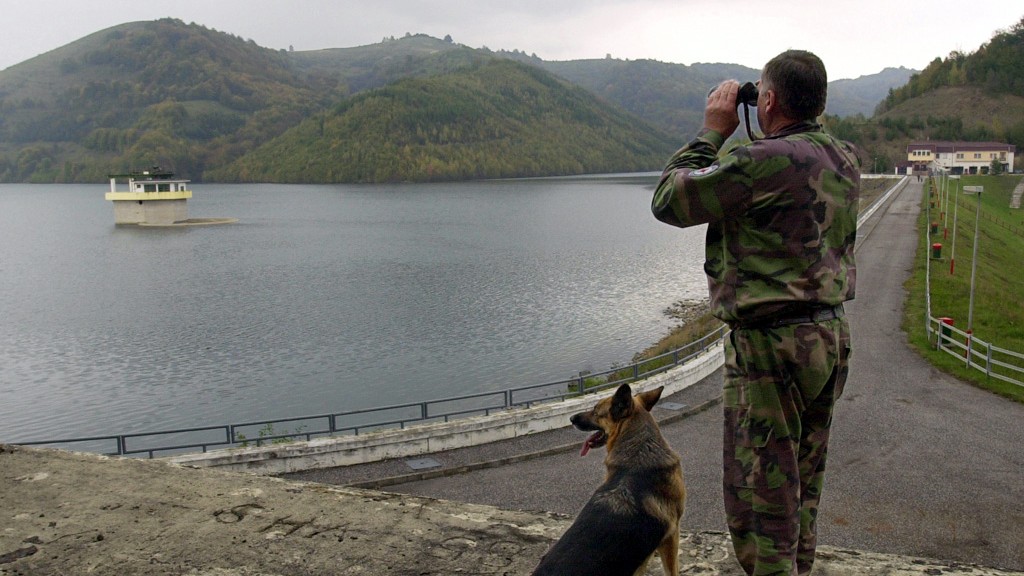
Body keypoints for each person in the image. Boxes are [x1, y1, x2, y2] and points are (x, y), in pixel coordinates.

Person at [651, 50, 859, 576]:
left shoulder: (760, 161)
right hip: (828, 336)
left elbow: (670, 200)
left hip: (770, 348)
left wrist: (713, 130)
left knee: (759, 496)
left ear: (766, 99)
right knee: (802, 483)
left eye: (760, 95)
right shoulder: (844, 157)